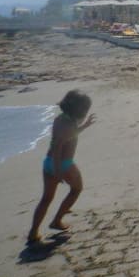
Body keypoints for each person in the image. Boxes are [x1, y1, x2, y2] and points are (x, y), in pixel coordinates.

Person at [27, 90, 96, 245]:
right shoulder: (69, 125)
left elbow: (68, 136)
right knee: (76, 189)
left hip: (48, 162)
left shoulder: (60, 119)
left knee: (46, 199)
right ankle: (57, 220)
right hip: (64, 164)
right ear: (80, 110)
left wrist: (84, 126)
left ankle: (33, 232)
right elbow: (59, 146)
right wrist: (58, 171)